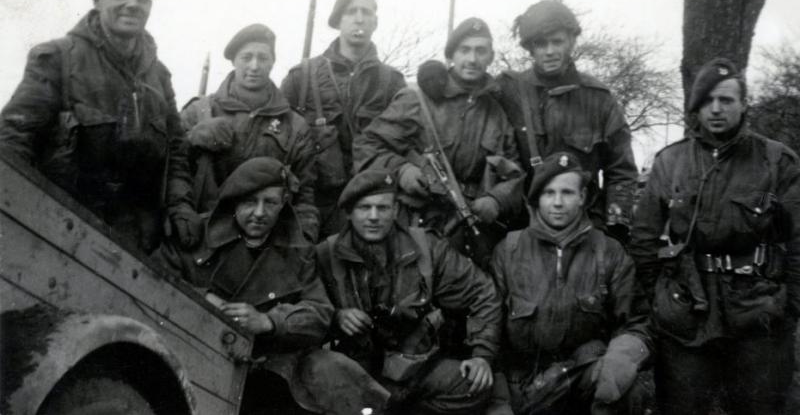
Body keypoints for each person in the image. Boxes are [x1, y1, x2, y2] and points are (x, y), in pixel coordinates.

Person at [630, 58, 800, 415]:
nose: (717, 109)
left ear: (744, 104)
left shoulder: (776, 162)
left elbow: (798, 239)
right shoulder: (670, 163)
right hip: (687, 313)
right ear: (696, 107)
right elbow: (644, 241)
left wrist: (790, 306)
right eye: (707, 101)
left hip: (758, 314)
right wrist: (661, 299)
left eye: (726, 100)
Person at [155, 157, 390, 415]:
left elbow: (319, 312)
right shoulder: (196, 235)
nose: (259, 213)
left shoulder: (298, 251)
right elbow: (151, 279)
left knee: (332, 373)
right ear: (233, 202)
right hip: (193, 353)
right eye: (249, 201)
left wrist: (269, 322)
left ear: (283, 205)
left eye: (270, 203)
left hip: (268, 368)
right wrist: (205, 300)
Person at [0, 0, 199, 253]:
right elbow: (14, 139)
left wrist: (180, 204)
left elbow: (177, 151)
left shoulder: (159, 77)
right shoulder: (57, 57)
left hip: (136, 245)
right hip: (58, 229)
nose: (133, 4)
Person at [316, 169, 503, 415]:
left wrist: (482, 354)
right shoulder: (324, 255)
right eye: (364, 208)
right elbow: (307, 310)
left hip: (415, 367)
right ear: (349, 213)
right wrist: (337, 317)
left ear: (396, 211)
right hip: (356, 374)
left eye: (383, 208)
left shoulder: (427, 247)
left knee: (473, 386)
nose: (374, 217)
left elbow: (484, 292)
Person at [353, 18, 524, 266]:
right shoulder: (417, 99)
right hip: (414, 224)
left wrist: (497, 199)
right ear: (451, 55)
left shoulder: (496, 113)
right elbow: (366, 146)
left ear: (491, 56)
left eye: (480, 51)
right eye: (464, 50)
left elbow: (514, 171)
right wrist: (402, 171)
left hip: (468, 227)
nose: (472, 59)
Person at [491, 152, 650, 415]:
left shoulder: (609, 251)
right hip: (522, 383)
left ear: (582, 198)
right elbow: (490, 326)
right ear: (536, 199)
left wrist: (615, 369)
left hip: (582, 377)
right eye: (548, 193)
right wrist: (499, 400)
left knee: (628, 393)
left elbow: (636, 322)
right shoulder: (508, 250)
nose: (557, 203)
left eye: (567, 192)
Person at [495, 0, 637, 243]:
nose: (549, 51)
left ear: (571, 42)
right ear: (530, 48)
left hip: (585, 231)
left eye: (557, 41)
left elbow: (621, 169)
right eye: (541, 44)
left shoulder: (599, 99)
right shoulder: (510, 92)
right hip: (524, 231)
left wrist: (614, 227)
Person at [281, 0, 405, 238]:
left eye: (366, 12)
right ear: (338, 20)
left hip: (372, 208)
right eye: (351, 11)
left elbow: (405, 142)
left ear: (375, 22)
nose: (359, 19)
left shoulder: (392, 82)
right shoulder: (302, 77)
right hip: (317, 204)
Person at [181, 23, 319, 240]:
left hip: (265, 241)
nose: (254, 66)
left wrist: (303, 239)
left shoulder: (295, 126)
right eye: (246, 57)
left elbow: (305, 196)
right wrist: (191, 139)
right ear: (234, 61)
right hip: (203, 234)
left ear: (273, 62)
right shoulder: (199, 112)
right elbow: (173, 172)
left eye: (263, 58)